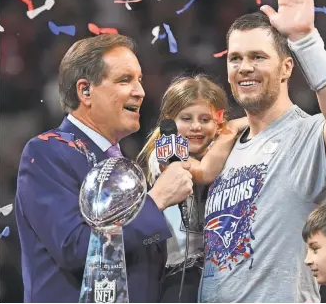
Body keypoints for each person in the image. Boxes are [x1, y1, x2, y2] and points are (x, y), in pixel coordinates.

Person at [199, 0, 326, 302]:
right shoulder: (224, 145)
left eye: (258, 57)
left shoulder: (305, 136)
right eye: (235, 59)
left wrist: (305, 39)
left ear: (286, 67)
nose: (244, 67)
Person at [15, 34, 194, 303]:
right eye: (125, 80)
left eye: (140, 80)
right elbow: (75, 248)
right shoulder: (46, 152)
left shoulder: (127, 163)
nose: (140, 92)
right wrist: (156, 200)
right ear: (85, 91)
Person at [138, 74, 248, 302]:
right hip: (178, 274)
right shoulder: (165, 153)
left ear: (218, 120)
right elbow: (204, 173)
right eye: (186, 118)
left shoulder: (225, 154)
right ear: (168, 122)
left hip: (222, 271)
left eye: (205, 119)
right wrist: (232, 129)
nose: (196, 126)